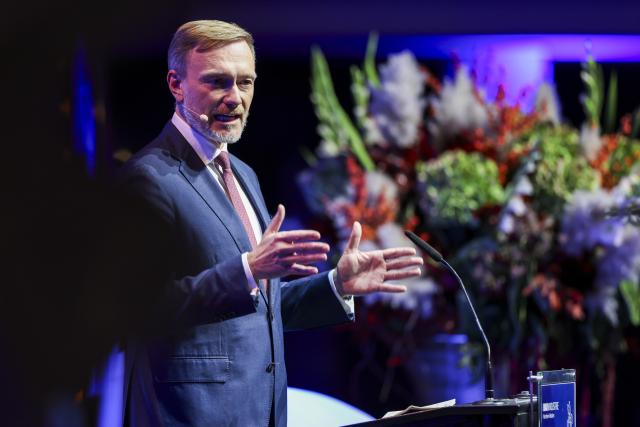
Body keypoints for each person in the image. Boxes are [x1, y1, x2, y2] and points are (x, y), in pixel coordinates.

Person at [119, 20, 423, 427]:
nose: (235, 98)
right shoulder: (147, 179)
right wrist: (248, 268)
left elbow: (261, 309)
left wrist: (336, 286)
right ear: (176, 84)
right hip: (190, 417)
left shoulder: (242, 173)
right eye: (217, 82)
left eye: (245, 82)